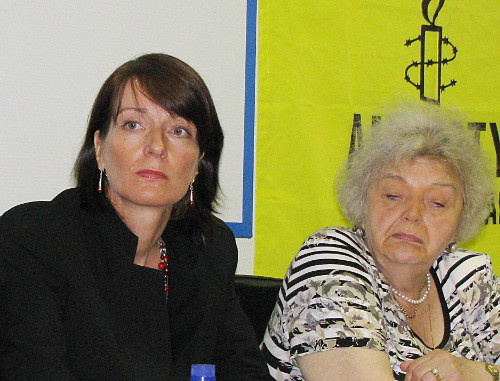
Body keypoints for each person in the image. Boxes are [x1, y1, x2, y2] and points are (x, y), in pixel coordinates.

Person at [0, 53, 272, 380]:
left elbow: (243, 371)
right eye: (133, 124)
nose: (156, 146)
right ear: (99, 148)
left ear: (199, 161)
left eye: (179, 130)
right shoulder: (35, 239)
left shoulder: (209, 250)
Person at [261, 103, 499, 380]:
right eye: (393, 195)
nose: (413, 214)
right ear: (362, 202)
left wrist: (479, 372)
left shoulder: (470, 277)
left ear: (462, 219)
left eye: (437, 202)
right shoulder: (328, 263)